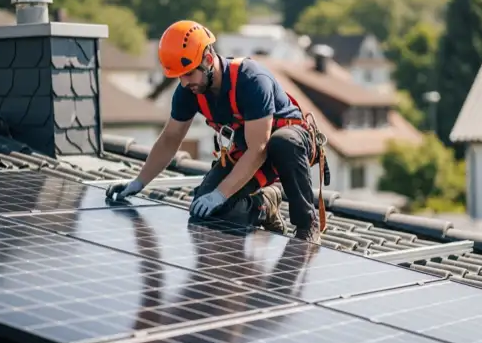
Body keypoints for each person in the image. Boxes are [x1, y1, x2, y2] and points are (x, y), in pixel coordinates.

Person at [105, 20, 328, 244]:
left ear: (209, 60)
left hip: (288, 145)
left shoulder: (251, 80)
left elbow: (260, 149)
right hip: (249, 152)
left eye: (189, 74)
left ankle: (307, 226)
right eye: (179, 76)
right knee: (205, 212)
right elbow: (170, 139)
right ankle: (264, 205)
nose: (184, 83)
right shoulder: (189, 91)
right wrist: (139, 182)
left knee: (282, 142)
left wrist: (221, 193)